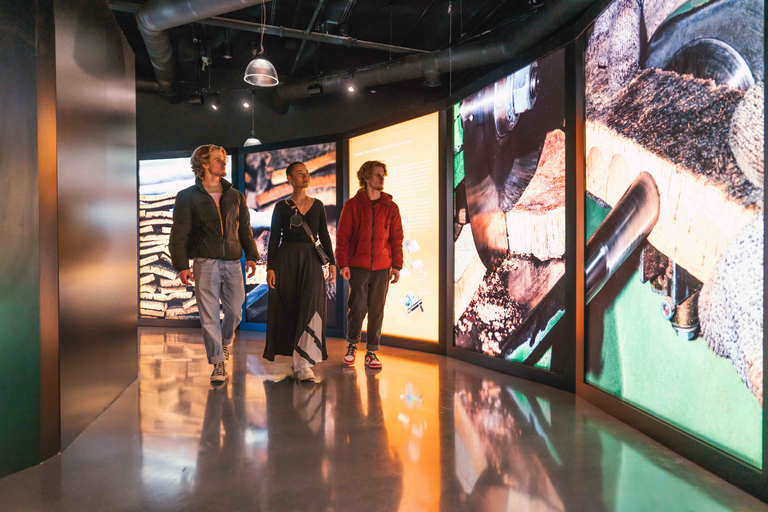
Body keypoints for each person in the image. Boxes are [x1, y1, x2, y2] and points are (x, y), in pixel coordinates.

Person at [169, 144, 258, 384]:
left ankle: (225, 342)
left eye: (224, 159)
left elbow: (244, 230)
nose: (224, 163)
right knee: (209, 317)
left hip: (232, 262)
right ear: (204, 164)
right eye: (218, 159)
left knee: (235, 312)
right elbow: (179, 234)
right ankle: (218, 362)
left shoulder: (235, 196)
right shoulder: (187, 196)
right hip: (204, 263)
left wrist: (251, 255)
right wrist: (181, 265)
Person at [263, 161, 336, 381]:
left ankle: (304, 362)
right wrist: (271, 268)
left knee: (312, 306)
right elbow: (274, 238)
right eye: (299, 173)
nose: (305, 176)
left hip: (312, 261)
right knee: (290, 307)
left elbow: (324, 236)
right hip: (286, 260)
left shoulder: (318, 205)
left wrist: (331, 262)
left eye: (307, 173)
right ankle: (297, 360)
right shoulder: (281, 207)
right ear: (289, 179)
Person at [335, 160, 403, 370]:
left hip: (383, 267)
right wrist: (343, 264)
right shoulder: (352, 206)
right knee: (357, 306)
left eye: (383, 174)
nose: (381, 178)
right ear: (365, 177)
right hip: (358, 266)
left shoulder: (391, 207)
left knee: (377, 309)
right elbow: (342, 238)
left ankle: (372, 351)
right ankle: (352, 344)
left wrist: (397, 266)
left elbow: (396, 238)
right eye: (377, 175)